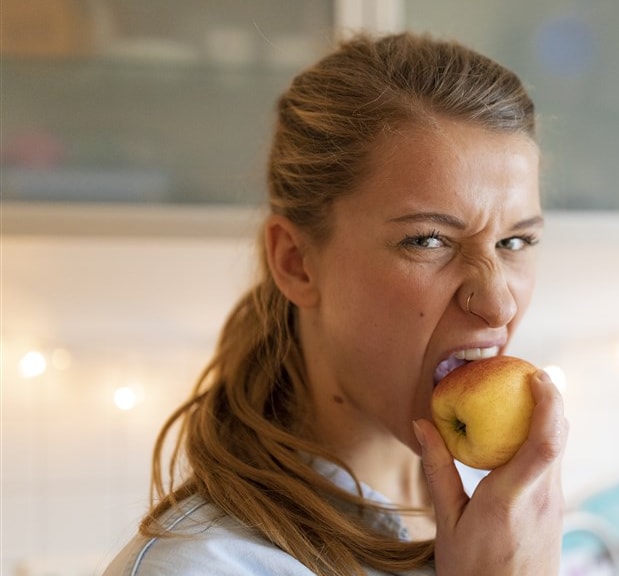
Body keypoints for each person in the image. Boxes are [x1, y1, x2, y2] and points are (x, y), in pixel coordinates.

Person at [103, 31, 567, 576]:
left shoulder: (509, 516)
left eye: (515, 242)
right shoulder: (205, 567)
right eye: (428, 240)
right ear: (297, 262)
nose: (497, 304)